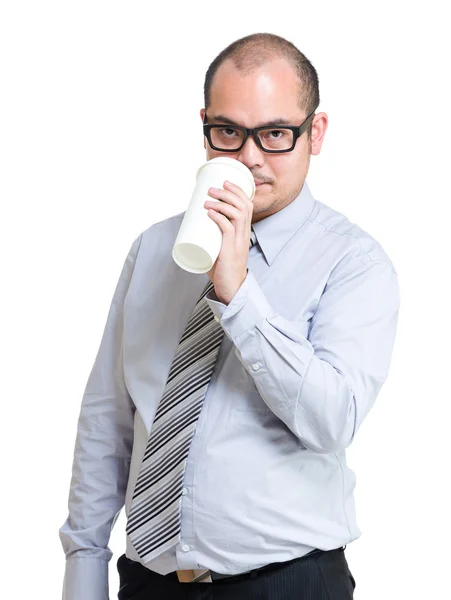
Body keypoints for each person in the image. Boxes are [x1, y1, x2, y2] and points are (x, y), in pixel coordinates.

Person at [59, 32, 400, 600]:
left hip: (287, 583)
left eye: (274, 134)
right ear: (205, 127)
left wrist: (238, 292)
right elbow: (107, 424)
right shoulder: (153, 249)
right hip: (149, 585)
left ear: (314, 134)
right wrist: (84, 572)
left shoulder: (354, 262)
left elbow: (332, 418)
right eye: (228, 132)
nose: (248, 157)